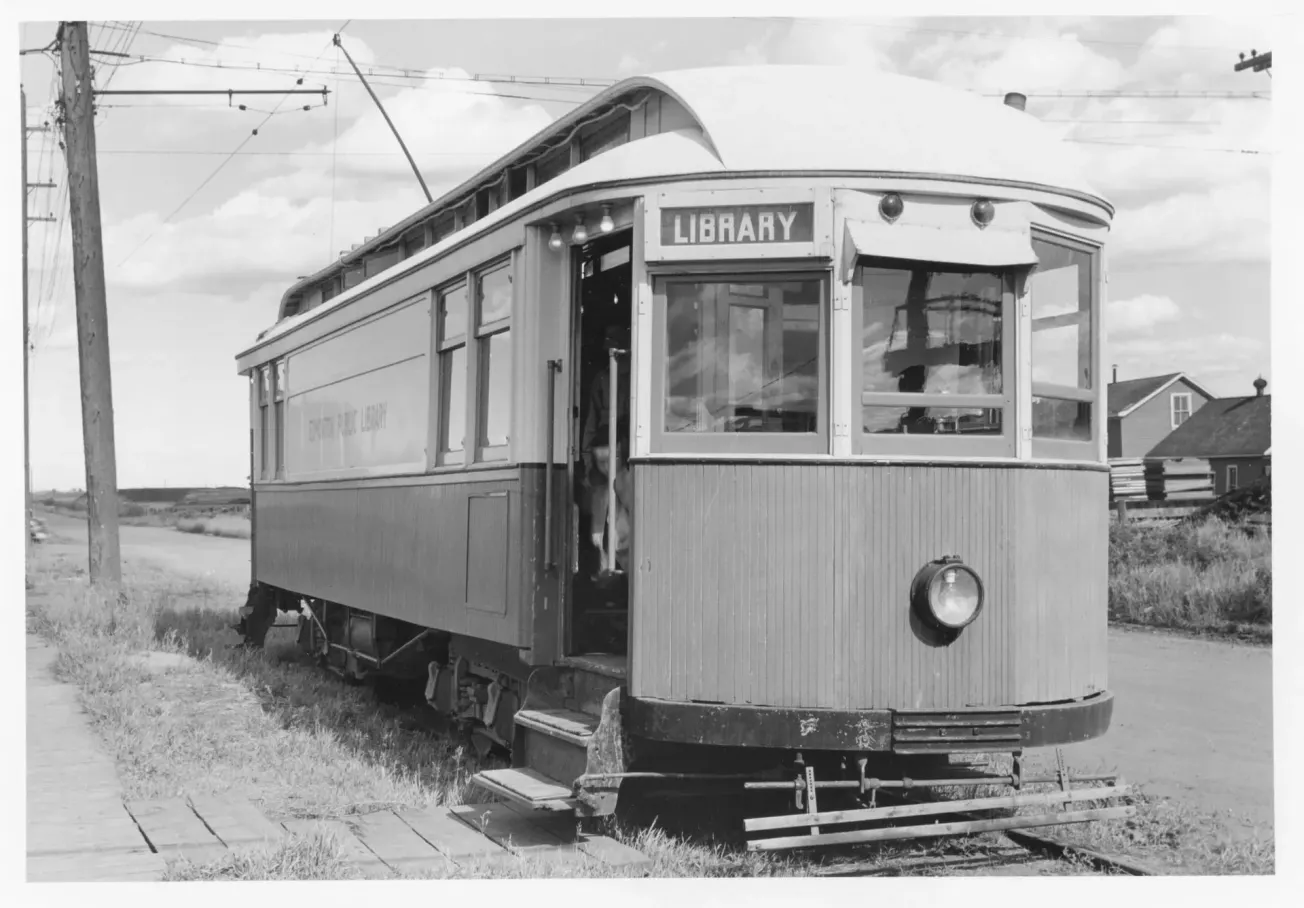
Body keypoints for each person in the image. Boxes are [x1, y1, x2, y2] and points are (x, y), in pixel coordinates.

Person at [581, 324, 632, 576]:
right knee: (624, 510)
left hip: (603, 447)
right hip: (622, 449)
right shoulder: (637, 375)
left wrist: (587, 459)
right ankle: (619, 568)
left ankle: (606, 565)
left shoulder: (602, 378)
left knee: (605, 512)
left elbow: (591, 423)